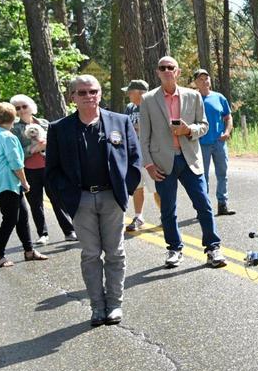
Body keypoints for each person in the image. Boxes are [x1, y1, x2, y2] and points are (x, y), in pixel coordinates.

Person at [45, 76, 141, 325]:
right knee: (90, 254)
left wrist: (125, 191)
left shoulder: (120, 121)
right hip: (81, 200)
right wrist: (68, 198)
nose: (89, 96)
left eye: (93, 91)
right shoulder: (59, 128)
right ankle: (97, 307)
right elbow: (52, 171)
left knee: (115, 253)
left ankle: (115, 305)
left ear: (100, 93)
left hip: (112, 198)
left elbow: (134, 159)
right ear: (72, 97)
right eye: (82, 92)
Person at [138, 56, 224, 268]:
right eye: (162, 68)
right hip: (162, 162)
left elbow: (204, 126)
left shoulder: (193, 96)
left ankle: (213, 248)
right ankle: (174, 249)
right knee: (167, 209)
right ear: (158, 72)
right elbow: (144, 136)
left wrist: (188, 130)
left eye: (171, 67)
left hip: (189, 160)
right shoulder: (148, 99)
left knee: (203, 204)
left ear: (177, 72)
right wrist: (148, 165)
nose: (167, 70)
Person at [0, 102, 46, 267]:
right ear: (12, 117)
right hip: (9, 182)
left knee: (22, 217)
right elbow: (16, 163)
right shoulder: (8, 137)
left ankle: (29, 251)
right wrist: (25, 182)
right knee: (10, 219)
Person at [10, 94, 77, 244]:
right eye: (17, 108)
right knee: (35, 204)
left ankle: (69, 231)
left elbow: (57, 142)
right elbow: (16, 151)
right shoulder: (15, 129)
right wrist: (33, 149)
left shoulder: (44, 123)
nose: (21, 110)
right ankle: (43, 234)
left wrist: (48, 145)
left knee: (58, 200)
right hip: (29, 170)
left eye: (24, 106)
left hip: (49, 167)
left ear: (31, 107)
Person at [190, 68, 235, 216]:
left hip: (219, 142)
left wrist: (227, 132)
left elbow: (228, 117)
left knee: (222, 174)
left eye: (206, 78)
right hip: (201, 144)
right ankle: (203, 208)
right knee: (202, 177)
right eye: (201, 79)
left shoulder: (219, 97)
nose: (204, 81)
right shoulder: (193, 99)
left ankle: (223, 204)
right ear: (196, 82)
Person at [122, 79, 158, 231]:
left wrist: (138, 127)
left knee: (156, 188)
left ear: (140, 93)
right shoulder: (130, 108)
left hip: (150, 155)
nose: (128, 95)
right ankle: (138, 217)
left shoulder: (153, 105)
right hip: (134, 155)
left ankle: (166, 216)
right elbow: (125, 126)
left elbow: (157, 127)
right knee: (137, 187)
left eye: (131, 92)